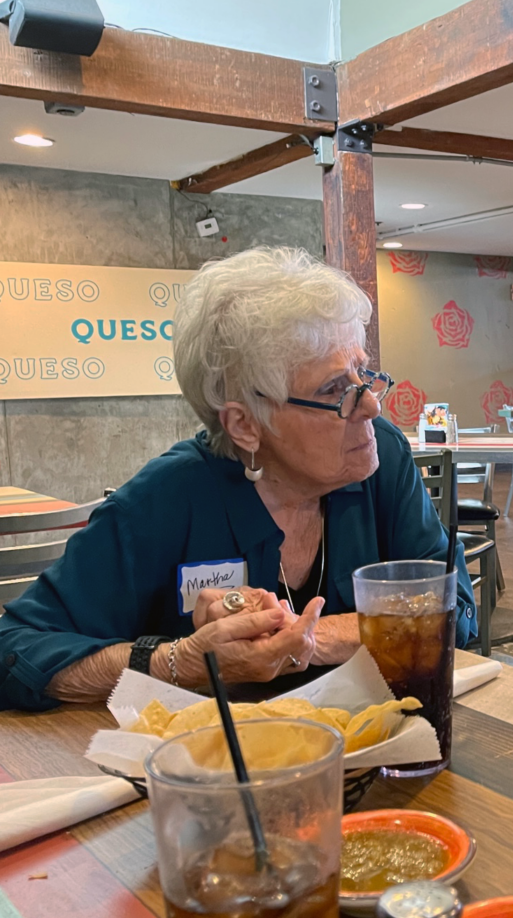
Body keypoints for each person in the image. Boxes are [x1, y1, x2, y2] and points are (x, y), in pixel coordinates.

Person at [0, 247, 476, 711]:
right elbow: (14, 651)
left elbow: (457, 608)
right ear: (245, 425)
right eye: (335, 390)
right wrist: (182, 662)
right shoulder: (167, 498)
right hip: (212, 772)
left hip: (376, 756)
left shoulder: (382, 455)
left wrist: (316, 635)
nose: (371, 405)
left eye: (363, 374)